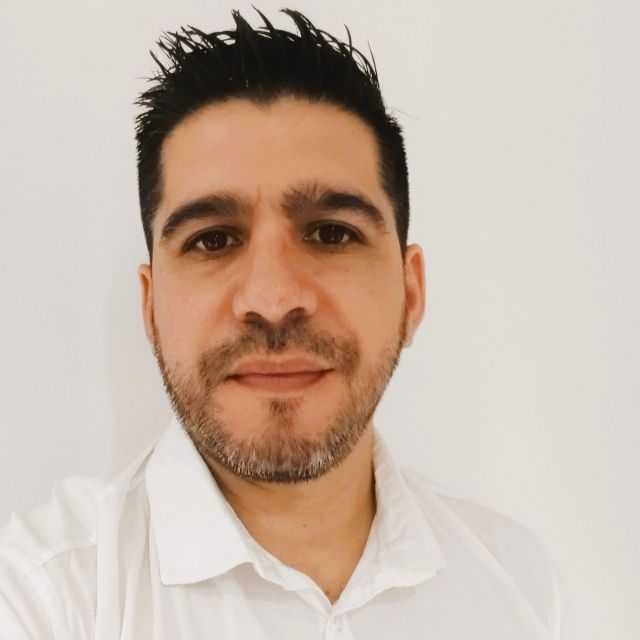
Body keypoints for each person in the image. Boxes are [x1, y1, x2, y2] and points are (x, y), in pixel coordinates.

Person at [0, 8, 567, 638]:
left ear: (411, 292)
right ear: (150, 308)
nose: (272, 300)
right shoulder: (43, 598)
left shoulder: (516, 587)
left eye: (331, 233)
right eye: (213, 240)